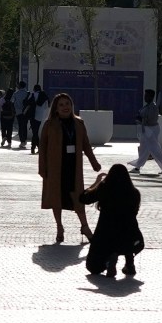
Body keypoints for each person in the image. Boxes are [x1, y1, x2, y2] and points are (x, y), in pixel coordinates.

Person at [38, 91, 101, 243]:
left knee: (78, 197)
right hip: (55, 168)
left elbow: (86, 145)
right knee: (56, 198)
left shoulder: (79, 123)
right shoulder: (50, 124)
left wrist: (94, 162)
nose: (65, 107)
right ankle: (59, 227)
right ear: (56, 108)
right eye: (61, 105)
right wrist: (42, 168)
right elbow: (43, 148)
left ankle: (85, 227)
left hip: (73, 167)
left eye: (67, 104)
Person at [84, 163, 144, 279]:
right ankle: (129, 262)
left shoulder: (104, 189)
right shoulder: (134, 193)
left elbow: (84, 198)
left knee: (93, 267)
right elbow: (134, 213)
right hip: (130, 236)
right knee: (127, 234)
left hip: (106, 235)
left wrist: (97, 182)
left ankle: (110, 258)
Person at [133, 88, 162, 174]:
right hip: (146, 130)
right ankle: (137, 167)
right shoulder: (147, 106)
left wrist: (140, 119)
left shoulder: (153, 107)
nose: (145, 97)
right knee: (144, 149)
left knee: (155, 149)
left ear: (151, 97)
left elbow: (150, 120)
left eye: (146, 96)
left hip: (151, 130)